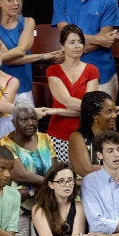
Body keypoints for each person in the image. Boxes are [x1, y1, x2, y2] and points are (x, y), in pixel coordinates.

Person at [52, 0, 119, 101]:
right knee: (72, 122)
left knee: (104, 123)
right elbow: (66, 34)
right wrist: (98, 40)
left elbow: (106, 37)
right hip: (70, 73)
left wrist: (73, 51)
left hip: (102, 72)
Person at [0, 0, 63, 105]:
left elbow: (20, 51)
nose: (16, 3)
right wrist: (42, 56)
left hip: (24, 87)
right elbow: (7, 59)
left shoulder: (28, 22)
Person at [0, 97, 57, 235]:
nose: (30, 123)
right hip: (19, 207)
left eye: (34, 119)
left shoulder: (45, 138)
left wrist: (52, 183)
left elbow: (54, 169)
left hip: (44, 204)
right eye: (24, 120)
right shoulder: (5, 143)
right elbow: (21, 176)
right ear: (14, 123)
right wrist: (52, 185)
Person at [46, 25, 99, 163]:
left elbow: (90, 106)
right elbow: (67, 101)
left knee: (86, 180)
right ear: (62, 46)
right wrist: (89, 109)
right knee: (61, 180)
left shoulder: (92, 70)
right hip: (58, 135)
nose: (77, 46)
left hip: (85, 134)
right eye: (72, 42)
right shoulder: (53, 70)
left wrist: (55, 111)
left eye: (80, 41)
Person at [69, 91, 119, 177]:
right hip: (86, 188)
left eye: (115, 111)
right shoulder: (78, 137)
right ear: (95, 115)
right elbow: (86, 170)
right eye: (109, 112)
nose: (114, 116)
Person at [31, 163, 87, 235]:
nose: (67, 185)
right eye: (61, 181)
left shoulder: (79, 207)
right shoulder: (39, 209)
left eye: (70, 180)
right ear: (51, 184)